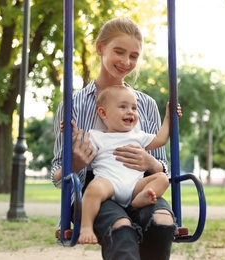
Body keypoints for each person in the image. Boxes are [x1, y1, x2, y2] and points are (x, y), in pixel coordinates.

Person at [51, 17, 178, 260]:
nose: (126, 62)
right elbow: (58, 173)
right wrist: (75, 164)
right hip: (97, 189)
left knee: (162, 221)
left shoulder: (146, 105)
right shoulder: (72, 106)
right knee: (121, 228)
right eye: (119, 52)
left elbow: (162, 166)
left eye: (133, 56)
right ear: (100, 48)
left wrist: (151, 163)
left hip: (138, 187)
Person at [77, 85, 181, 244]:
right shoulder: (96, 136)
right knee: (93, 189)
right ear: (103, 113)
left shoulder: (138, 136)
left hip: (135, 186)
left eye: (134, 108)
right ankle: (86, 227)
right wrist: (69, 134)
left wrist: (169, 117)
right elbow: (81, 151)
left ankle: (141, 198)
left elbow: (160, 140)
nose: (130, 111)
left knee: (162, 178)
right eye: (123, 107)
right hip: (109, 182)